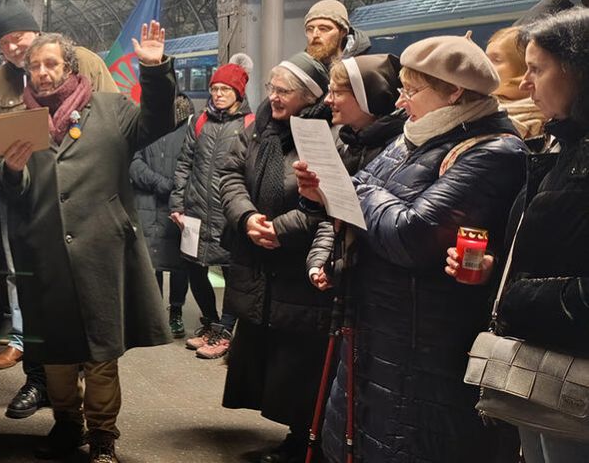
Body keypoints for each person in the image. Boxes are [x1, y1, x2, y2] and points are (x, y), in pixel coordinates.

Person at [296, 35, 528, 463]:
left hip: (424, 349)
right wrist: (325, 195)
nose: (402, 103)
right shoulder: (413, 138)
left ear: (454, 92)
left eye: (412, 91)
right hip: (376, 332)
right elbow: (371, 207)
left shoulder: (493, 151)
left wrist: (350, 189)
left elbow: (412, 235)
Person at [0, 25, 176, 463]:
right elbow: (13, 195)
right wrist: (12, 172)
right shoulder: (17, 122)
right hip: (46, 255)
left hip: (102, 250)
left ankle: (102, 436)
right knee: (56, 352)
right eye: (35, 66)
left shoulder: (111, 108)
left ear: (70, 68)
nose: (42, 73)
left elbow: (158, 121)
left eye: (51, 64)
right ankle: (66, 424)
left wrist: (153, 70)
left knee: (101, 352)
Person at [444, 7, 589, 463]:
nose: (525, 84)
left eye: (537, 69)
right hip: (545, 361)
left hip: (572, 366)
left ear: (579, 72)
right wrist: (497, 270)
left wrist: (516, 299)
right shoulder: (561, 149)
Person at [0, 0, 118, 418]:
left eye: (21, 35)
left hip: (83, 200)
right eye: (6, 42)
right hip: (27, 204)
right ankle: (39, 382)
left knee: (86, 299)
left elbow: (113, 126)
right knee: (34, 293)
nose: (16, 47)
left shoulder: (88, 63)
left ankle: (88, 397)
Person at [217, 52, 333, 463]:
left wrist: (278, 230)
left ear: (310, 96)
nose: (273, 96)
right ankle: (297, 434)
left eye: (284, 91)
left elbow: (325, 201)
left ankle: (306, 437)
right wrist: (247, 217)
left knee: (299, 356)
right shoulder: (259, 128)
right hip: (258, 256)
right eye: (271, 88)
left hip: (295, 264)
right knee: (271, 350)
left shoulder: (323, 134)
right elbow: (230, 175)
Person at [169, 63, 253, 360]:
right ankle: (210, 321)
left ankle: (226, 330)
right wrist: (177, 205)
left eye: (225, 90)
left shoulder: (249, 124)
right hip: (195, 213)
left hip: (228, 216)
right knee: (195, 269)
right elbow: (184, 165)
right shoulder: (200, 121)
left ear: (238, 93)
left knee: (233, 274)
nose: (218, 94)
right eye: (215, 89)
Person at [305, 54, 405, 292]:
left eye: (337, 92)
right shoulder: (349, 143)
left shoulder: (397, 149)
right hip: (348, 280)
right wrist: (320, 261)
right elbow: (335, 217)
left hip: (374, 285)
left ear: (367, 97)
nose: (328, 100)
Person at [130, 94, 195, 338]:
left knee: (179, 262)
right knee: (149, 261)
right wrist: (160, 183)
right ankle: (153, 312)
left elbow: (191, 164)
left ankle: (175, 310)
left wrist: (175, 188)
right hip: (146, 203)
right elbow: (133, 162)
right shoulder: (142, 128)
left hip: (177, 205)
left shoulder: (190, 131)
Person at [486, 27, 544, 139]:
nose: (486, 65)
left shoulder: (553, 112)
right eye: (485, 59)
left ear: (526, 66)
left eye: (496, 60)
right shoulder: (479, 110)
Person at [304, 0, 370, 66]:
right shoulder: (303, 69)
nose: (314, 35)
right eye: (310, 29)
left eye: (323, 29)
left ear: (343, 32)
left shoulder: (362, 68)